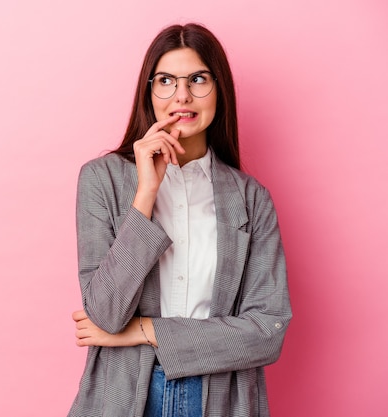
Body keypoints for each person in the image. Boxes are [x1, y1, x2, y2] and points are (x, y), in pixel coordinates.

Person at [68, 23, 291, 417]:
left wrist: (145, 331)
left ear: (219, 90)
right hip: (125, 395)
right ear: (149, 91)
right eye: (167, 80)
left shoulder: (252, 199)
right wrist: (145, 195)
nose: (182, 95)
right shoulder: (101, 180)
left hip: (220, 397)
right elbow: (104, 313)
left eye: (198, 79)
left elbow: (267, 332)